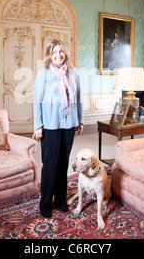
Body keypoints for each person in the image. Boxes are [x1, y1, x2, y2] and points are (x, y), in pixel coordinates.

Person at [33, 39, 84, 218]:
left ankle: (61, 200)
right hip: (50, 126)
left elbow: (78, 98)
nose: (58, 55)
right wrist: (38, 125)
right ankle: (45, 203)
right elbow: (37, 101)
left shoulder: (74, 73)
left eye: (61, 51)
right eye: (54, 52)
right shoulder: (44, 74)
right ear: (49, 55)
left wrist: (80, 120)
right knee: (50, 165)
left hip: (69, 125)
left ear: (65, 53)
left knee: (63, 164)